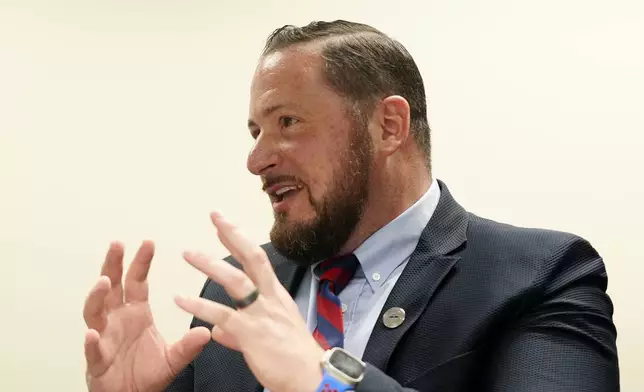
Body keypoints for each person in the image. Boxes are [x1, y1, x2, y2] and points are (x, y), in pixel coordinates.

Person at [82, 20, 620, 392]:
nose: (257, 159)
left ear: (388, 126)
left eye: (287, 122)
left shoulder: (541, 274)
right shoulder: (235, 287)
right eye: (255, 131)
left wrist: (323, 378)